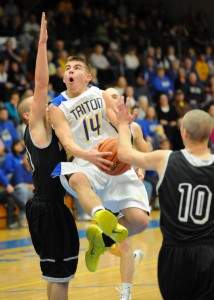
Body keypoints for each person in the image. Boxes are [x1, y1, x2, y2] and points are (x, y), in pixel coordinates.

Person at [48, 56, 150, 276]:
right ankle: (99, 213)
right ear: (64, 77)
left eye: (77, 67)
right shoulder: (56, 106)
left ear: (88, 77)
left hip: (114, 160)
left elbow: (120, 124)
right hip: (84, 159)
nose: (70, 71)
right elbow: (66, 141)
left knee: (140, 221)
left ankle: (100, 240)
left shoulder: (102, 95)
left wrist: (133, 156)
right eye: (67, 68)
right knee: (76, 179)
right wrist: (87, 154)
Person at [116, 97, 214, 300]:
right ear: (209, 135)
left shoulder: (165, 159)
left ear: (183, 132)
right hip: (209, 254)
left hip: (174, 255)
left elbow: (124, 153)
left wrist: (123, 125)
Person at [17, 13, 79, 300]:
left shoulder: (54, 134)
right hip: (46, 207)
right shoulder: (36, 128)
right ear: (30, 115)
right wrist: (42, 44)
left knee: (59, 275)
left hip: (53, 206)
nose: (48, 103)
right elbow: (41, 84)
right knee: (59, 278)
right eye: (41, 104)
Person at [105, 87, 148, 299]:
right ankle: (133, 259)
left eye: (117, 96)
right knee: (114, 245)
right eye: (110, 96)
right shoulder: (97, 126)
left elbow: (144, 149)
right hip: (104, 187)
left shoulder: (135, 128)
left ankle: (126, 294)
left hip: (124, 185)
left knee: (125, 242)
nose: (115, 99)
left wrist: (141, 165)